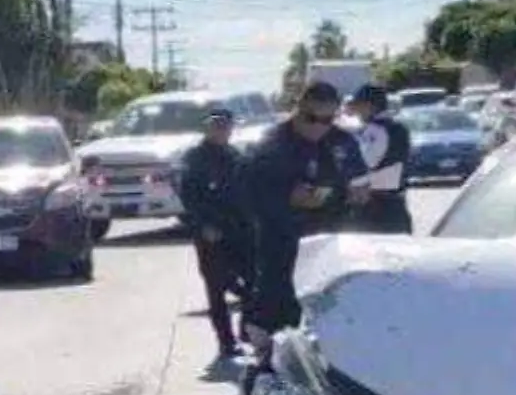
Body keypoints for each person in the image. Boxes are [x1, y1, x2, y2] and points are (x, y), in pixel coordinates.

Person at [239, 81, 367, 345]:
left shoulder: (342, 142)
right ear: (298, 109)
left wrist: (358, 193)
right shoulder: (271, 145)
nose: (319, 126)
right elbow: (246, 196)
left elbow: (358, 178)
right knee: (278, 333)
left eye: (327, 119)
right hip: (285, 249)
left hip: (332, 247)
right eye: (312, 118)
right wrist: (286, 198)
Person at [177, 106, 249, 358]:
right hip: (210, 233)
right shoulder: (194, 158)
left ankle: (246, 331)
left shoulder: (235, 156)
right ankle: (225, 342)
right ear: (206, 128)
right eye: (216, 125)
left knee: (252, 283)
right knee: (216, 288)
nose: (221, 130)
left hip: (239, 231)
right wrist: (202, 225)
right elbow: (188, 197)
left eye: (225, 125)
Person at [345, 84, 414, 234]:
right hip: (396, 205)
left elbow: (365, 163)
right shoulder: (399, 128)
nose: (357, 112)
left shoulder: (374, 130)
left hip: (376, 208)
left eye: (360, 106)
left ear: (370, 106)